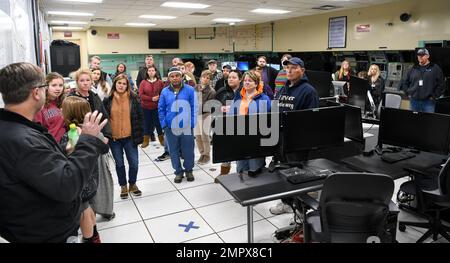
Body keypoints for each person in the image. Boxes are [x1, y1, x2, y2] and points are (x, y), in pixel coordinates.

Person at [0, 62, 108, 243]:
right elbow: (67, 186)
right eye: (45, 86)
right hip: (45, 234)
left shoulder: (12, 129)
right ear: (36, 92)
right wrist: (88, 140)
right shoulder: (24, 140)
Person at [269, 57, 319, 216]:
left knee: (298, 175)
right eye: (287, 68)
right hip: (282, 139)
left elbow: (311, 120)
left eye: (293, 67)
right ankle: (286, 203)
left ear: (302, 70)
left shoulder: (308, 91)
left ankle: (300, 208)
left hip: (297, 143)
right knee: (284, 174)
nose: (288, 71)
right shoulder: (284, 87)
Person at [60, 96, 109, 243]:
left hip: (82, 180)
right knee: (89, 209)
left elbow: (70, 151)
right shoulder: (89, 130)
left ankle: (90, 239)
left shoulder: (75, 132)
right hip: (91, 177)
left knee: (84, 212)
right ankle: (94, 235)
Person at [69, 69, 115, 221]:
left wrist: (107, 135)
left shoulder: (94, 96)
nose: (85, 83)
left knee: (103, 176)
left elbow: (104, 116)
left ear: (91, 82)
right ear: (77, 82)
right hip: (81, 141)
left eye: (87, 80)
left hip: (99, 139)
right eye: (82, 80)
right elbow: (69, 121)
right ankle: (88, 212)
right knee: (88, 178)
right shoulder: (71, 98)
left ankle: (104, 208)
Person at [103, 74, 144, 199]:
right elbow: (104, 119)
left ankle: (132, 184)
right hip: (114, 139)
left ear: (128, 85)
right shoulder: (107, 100)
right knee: (119, 164)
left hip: (130, 137)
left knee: (134, 163)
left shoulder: (134, 98)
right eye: (119, 83)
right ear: (115, 84)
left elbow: (140, 118)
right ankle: (123, 186)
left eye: (124, 83)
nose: (121, 86)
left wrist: (141, 135)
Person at [159, 67, 197, 183]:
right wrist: (164, 124)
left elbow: (194, 107)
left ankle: (189, 170)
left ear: (181, 77)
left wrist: (191, 123)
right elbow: (161, 109)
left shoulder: (189, 90)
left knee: (188, 150)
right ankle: (178, 172)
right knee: (173, 151)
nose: (175, 78)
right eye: (172, 76)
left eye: (177, 75)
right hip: (170, 127)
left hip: (186, 126)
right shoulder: (165, 91)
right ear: (169, 78)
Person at [229, 70, 271, 173]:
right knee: (241, 169)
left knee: (255, 169)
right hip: (241, 138)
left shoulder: (264, 99)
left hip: (256, 141)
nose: (246, 82)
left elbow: (267, 121)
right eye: (245, 80)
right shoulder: (238, 97)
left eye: (250, 81)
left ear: (256, 83)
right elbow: (231, 116)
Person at [214, 69, 242, 182]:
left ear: (240, 79)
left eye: (234, 77)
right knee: (226, 151)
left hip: (243, 125)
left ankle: (242, 174)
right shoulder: (221, 91)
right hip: (225, 124)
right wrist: (219, 108)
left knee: (241, 151)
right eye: (229, 77)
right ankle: (224, 174)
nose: (231, 79)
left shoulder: (245, 91)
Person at [403, 48, 445, 113]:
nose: (420, 57)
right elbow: (405, 82)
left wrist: (434, 96)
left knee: (428, 122)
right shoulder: (413, 68)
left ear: (428, 56)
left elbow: (441, 85)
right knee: (413, 121)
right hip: (414, 102)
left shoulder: (435, 68)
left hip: (428, 103)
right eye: (418, 55)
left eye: (422, 55)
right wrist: (407, 92)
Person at [34, 72, 66, 143]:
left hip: (65, 142)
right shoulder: (40, 105)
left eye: (60, 85)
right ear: (46, 86)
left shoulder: (63, 102)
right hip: (51, 145)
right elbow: (38, 131)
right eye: (54, 85)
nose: (58, 89)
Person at [139, 65, 164, 147]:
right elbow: (141, 95)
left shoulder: (160, 82)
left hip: (157, 107)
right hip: (146, 107)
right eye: (149, 71)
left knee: (158, 124)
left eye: (153, 70)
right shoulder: (143, 82)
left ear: (155, 72)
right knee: (146, 123)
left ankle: (162, 140)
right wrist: (151, 98)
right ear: (147, 72)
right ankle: (146, 140)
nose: (151, 72)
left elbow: (163, 93)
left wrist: (159, 97)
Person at [195, 70, 216, 165]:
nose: (205, 79)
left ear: (210, 80)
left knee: (205, 136)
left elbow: (209, 105)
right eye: (204, 77)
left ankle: (207, 155)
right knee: (198, 136)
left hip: (205, 115)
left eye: (208, 78)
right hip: (196, 115)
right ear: (200, 77)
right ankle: (202, 153)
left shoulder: (211, 91)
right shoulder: (195, 88)